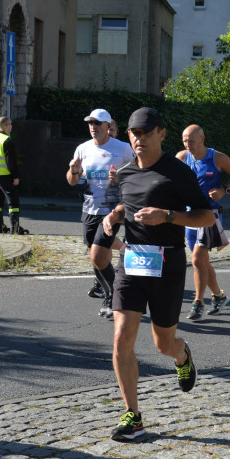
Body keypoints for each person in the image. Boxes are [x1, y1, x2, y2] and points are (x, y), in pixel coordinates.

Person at [102, 107, 214, 442]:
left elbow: (207, 216)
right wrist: (115, 215)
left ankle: (182, 355)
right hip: (132, 263)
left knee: (164, 344)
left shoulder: (177, 172)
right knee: (121, 337)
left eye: (147, 133)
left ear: (161, 134)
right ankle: (133, 416)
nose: (140, 138)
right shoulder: (125, 172)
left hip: (167, 264)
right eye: (135, 133)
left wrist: (167, 216)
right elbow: (130, 205)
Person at [67, 109, 135, 318]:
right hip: (89, 209)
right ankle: (111, 293)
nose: (93, 127)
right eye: (90, 123)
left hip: (112, 211)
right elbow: (72, 181)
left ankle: (113, 296)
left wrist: (120, 179)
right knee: (96, 257)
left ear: (108, 126)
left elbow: (137, 175)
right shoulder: (83, 148)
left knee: (97, 254)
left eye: (97, 123)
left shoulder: (123, 148)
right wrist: (74, 170)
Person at [178, 124, 230, 321]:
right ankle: (218, 296)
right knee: (203, 262)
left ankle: (198, 302)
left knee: (197, 260)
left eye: (191, 141)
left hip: (209, 215)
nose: (187, 145)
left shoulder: (217, 158)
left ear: (202, 139)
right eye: (184, 141)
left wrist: (224, 190)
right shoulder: (182, 157)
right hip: (189, 215)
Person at [0, 116, 27, 235]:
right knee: (13, 200)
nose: (11, 126)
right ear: (5, 126)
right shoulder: (7, 141)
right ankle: (15, 228)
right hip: (4, 174)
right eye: (10, 124)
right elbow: (11, 162)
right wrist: (15, 177)